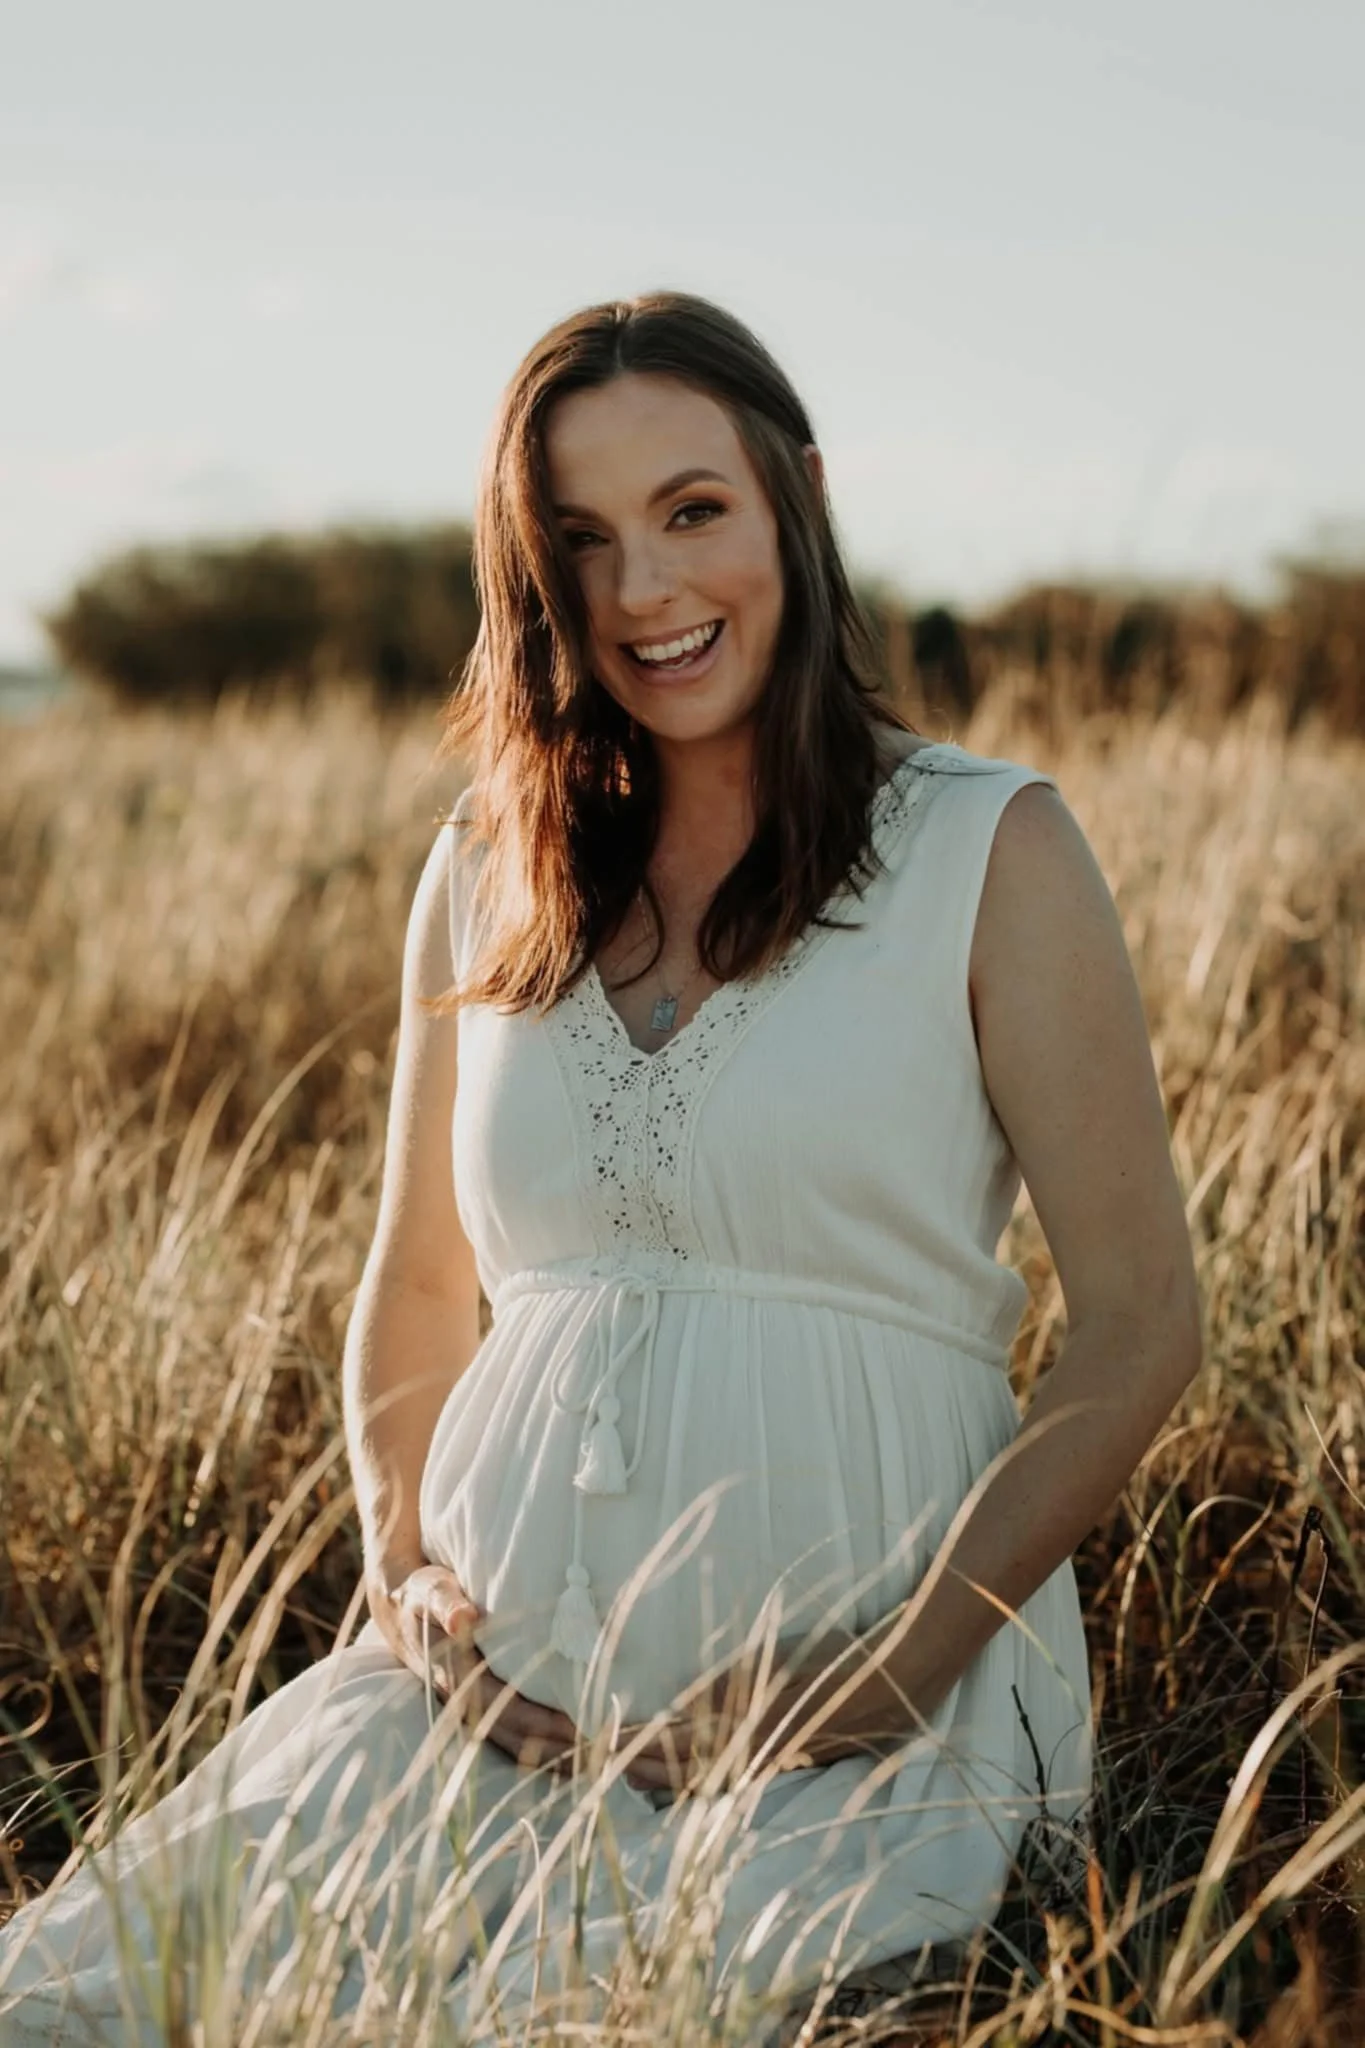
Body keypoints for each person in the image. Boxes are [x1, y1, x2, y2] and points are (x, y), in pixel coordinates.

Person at [0, 290, 1203, 2045]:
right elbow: (422, 1280)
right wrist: (406, 1573)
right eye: (578, 537)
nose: (642, 589)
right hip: (478, 1710)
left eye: (691, 510)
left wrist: (893, 1673)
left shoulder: (988, 847)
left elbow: (1144, 1322)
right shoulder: (486, 862)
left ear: (796, 497)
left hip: (854, 1727)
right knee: (94, 2002)